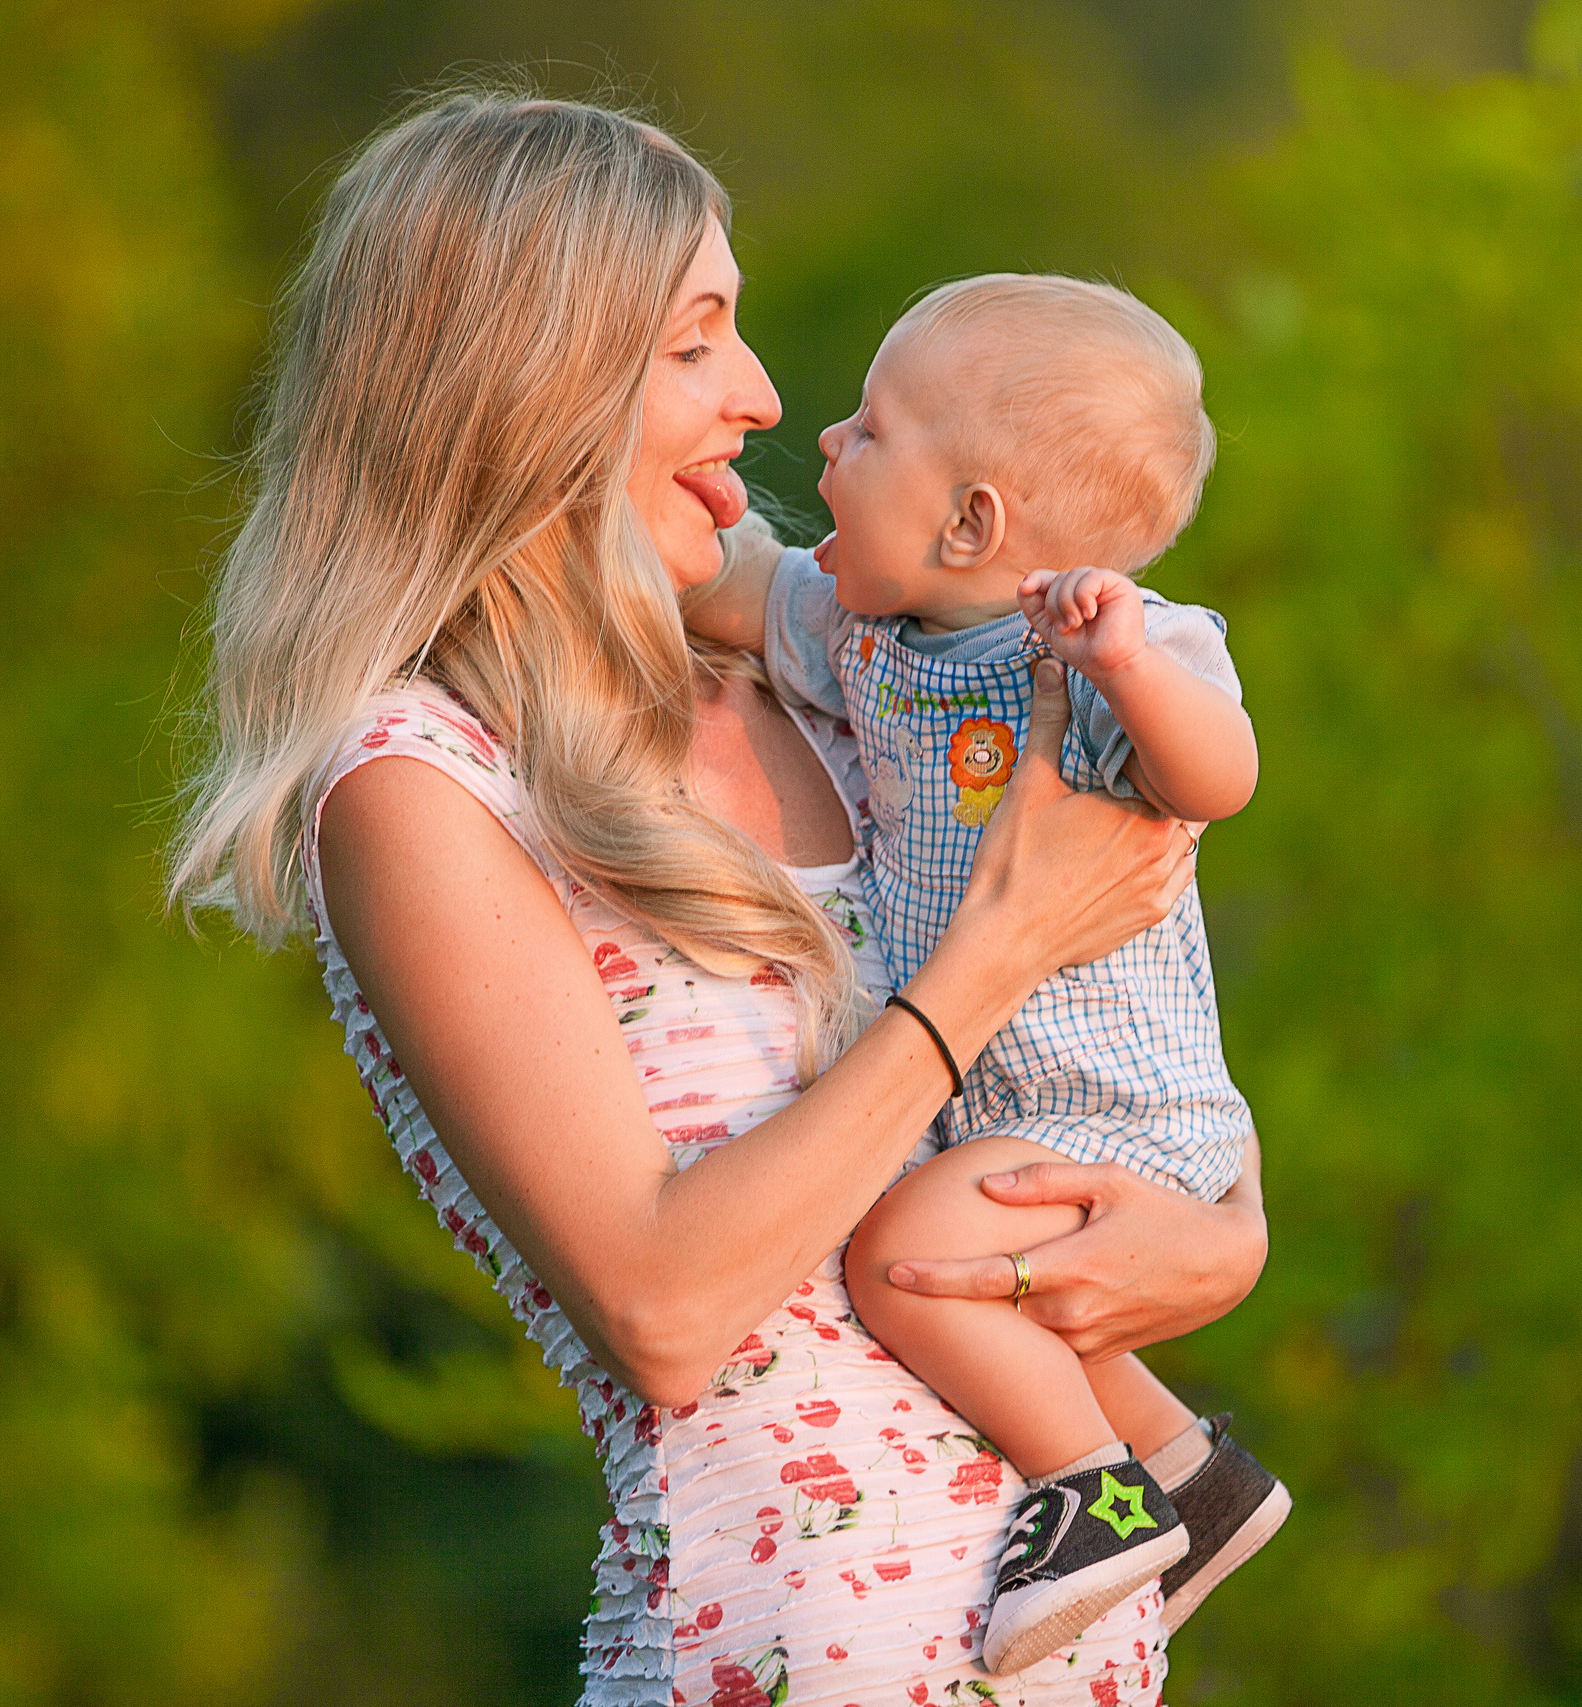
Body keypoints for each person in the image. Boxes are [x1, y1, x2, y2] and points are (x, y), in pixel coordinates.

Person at [166, 90, 1267, 1707]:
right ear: (532, 386)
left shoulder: (850, 684)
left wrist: (1223, 1239)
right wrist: (1000, 947)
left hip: (1074, 1663)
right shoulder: (422, 783)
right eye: (696, 344)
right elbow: (665, 1306)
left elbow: (1127, 1007)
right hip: (777, 1658)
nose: (761, 396)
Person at [685, 275, 1288, 1674]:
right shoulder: (861, 632)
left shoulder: (1112, 649)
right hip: (995, 1100)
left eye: (869, 430)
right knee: (988, 1268)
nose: (824, 440)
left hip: (1113, 1108)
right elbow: (724, 585)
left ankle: (1094, 1496)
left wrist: (1126, 668)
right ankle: (1194, 1479)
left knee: (906, 1261)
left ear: (971, 525)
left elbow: (1222, 778)